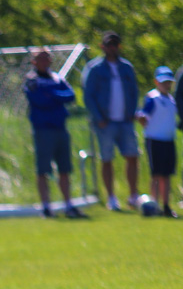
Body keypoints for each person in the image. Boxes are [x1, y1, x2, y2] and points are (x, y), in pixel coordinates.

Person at [23, 49, 86, 219]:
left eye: (46, 58)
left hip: (60, 128)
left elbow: (70, 95)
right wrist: (55, 97)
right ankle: (46, 206)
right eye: (40, 59)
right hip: (43, 130)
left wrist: (52, 94)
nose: (44, 62)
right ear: (33, 62)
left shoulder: (57, 78)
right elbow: (39, 100)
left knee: (64, 169)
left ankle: (68, 205)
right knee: (43, 169)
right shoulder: (31, 80)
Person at [82, 31, 140, 211]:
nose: (112, 48)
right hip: (106, 122)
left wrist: (131, 113)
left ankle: (133, 196)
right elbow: (88, 96)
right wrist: (99, 118)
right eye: (109, 45)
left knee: (132, 156)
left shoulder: (126, 67)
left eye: (115, 44)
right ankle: (111, 198)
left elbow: (134, 91)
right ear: (103, 47)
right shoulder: (95, 68)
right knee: (107, 158)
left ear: (118, 46)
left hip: (125, 121)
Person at [136, 66, 178, 218]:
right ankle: (153, 205)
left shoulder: (171, 100)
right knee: (156, 174)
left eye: (168, 82)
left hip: (168, 140)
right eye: (163, 82)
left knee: (166, 174)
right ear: (156, 82)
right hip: (155, 140)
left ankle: (166, 206)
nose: (166, 85)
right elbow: (142, 114)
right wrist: (142, 119)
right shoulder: (153, 98)